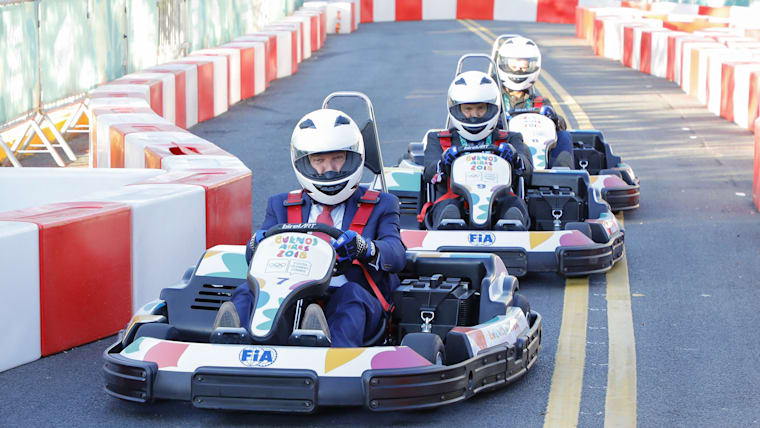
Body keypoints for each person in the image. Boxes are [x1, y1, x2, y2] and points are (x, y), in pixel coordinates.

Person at [213, 108, 406, 347]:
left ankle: (329, 352)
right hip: (290, 295)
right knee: (248, 292)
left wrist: (364, 248)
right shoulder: (281, 205)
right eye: (319, 161)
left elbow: (397, 254)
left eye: (338, 158)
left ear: (353, 157)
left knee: (350, 296)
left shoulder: (381, 204)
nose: (329, 169)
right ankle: (232, 344)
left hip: (353, 297)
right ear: (304, 162)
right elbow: (255, 257)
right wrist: (256, 243)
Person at [421, 70, 534, 230]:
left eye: (480, 108)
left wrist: (514, 158)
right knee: (450, 213)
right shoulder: (438, 139)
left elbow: (528, 171)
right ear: (457, 109)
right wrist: (444, 162)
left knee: (513, 212)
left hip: (500, 201)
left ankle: (511, 244)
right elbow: (429, 174)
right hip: (452, 200)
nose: (474, 115)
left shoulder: (510, 138)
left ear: (491, 108)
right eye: (468, 109)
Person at [495, 36, 575, 169]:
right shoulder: (494, 99)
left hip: (537, 145)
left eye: (523, 63)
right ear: (504, 63)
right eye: (514, 63)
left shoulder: (540, 102)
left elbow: (561, 124)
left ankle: (563, 176)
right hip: (507, 151)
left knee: (564, 135)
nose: (519, 68)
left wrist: (555, 118)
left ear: (531, 65)